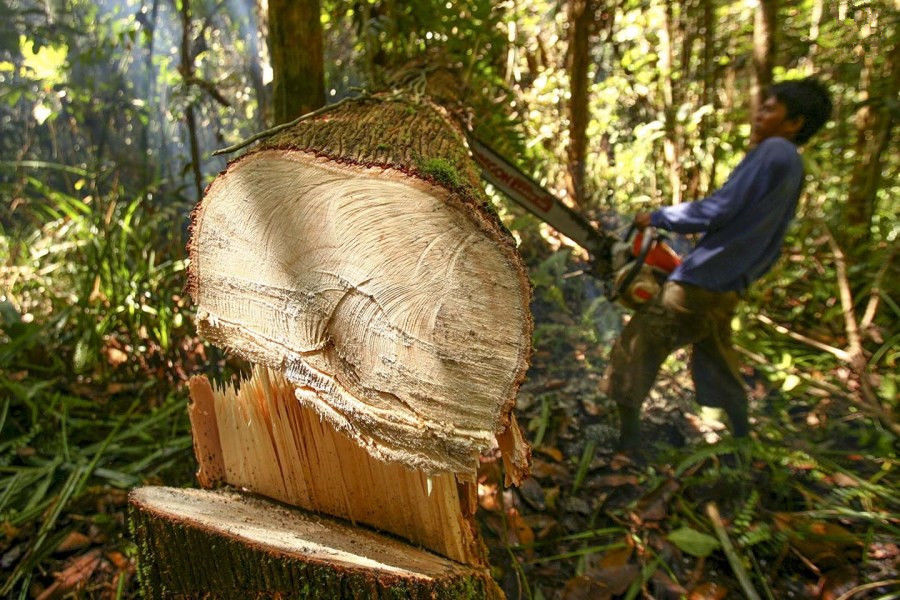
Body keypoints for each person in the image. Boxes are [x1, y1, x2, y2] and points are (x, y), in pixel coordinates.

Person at [606, 77, 832, 451]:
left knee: (637, 347)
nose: (760, 114)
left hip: (701, 283)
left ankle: (626, 445)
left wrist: (659, 217)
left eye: (771, 108)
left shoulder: (775, 150)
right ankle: (742, 444)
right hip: (728, 287)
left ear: (795, 123)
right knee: (718, 360)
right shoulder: (793, 165)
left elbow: (720, 208)